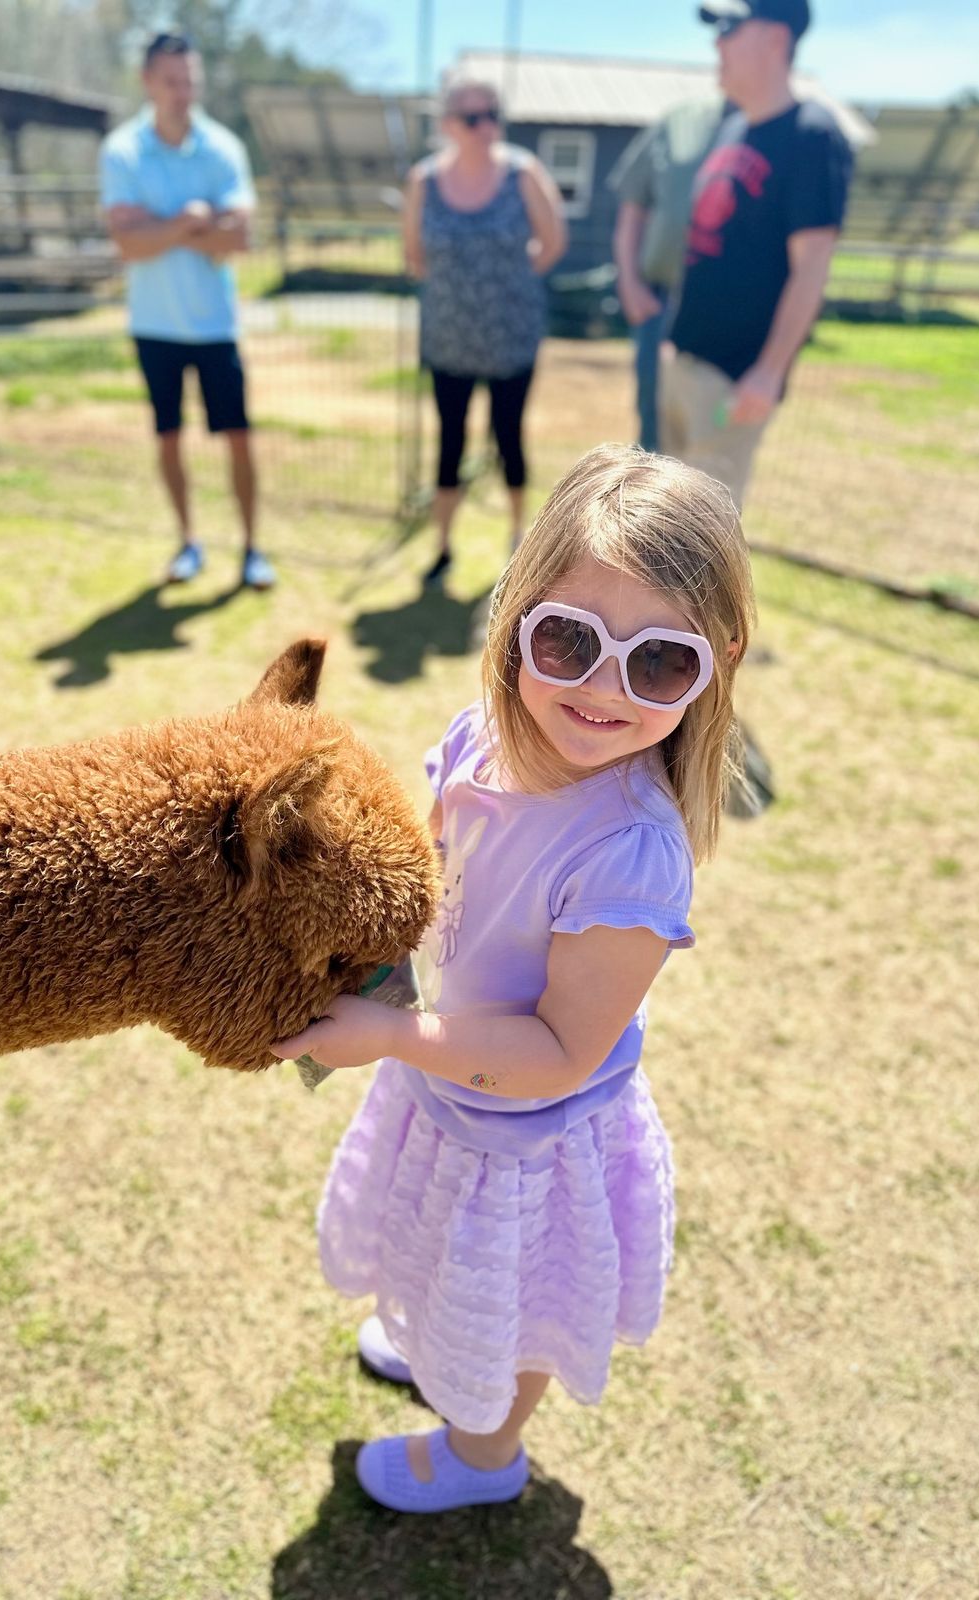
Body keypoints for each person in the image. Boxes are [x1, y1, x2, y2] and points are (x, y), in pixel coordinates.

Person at [272, 444, 755, 1512]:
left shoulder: (630, 852)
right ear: (518, 613)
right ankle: (441, 1349)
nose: (600, 688)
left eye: (658, 662)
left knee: (512, 1298)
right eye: (571, 639)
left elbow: (555, 1053)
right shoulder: (482, 732)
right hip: (444, 1081)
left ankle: (485, 1456)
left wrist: (392, 1036)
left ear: (719, 659)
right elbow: (434, 875)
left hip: (523, 1134)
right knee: (442, 1258)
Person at [100, 33, 275, 590]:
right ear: (148, 81)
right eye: (172, 81)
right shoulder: (122, 150)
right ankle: (188, 542)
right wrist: (193, 221)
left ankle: (251, 548)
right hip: (154, 327)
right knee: (169, 438)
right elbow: (126, 245)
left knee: (238, 438)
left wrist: (158, 227)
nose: (183, 93)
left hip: (215, 325)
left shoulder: (223, 147)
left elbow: (240, 237)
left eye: (190, 81)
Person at [661, 0, 853, 508]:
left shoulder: (811, 134)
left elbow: (812, 267)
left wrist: (769, 371)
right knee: (660, 525)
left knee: (698, 542)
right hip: (685, 360)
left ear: (776, 38)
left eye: (730, 27)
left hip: (734, 379)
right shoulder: (732, 128)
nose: (716, 42)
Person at [402, 76, 567, 587]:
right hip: (449, 341)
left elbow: (553, 241)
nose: (485, 127)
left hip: (511, 340)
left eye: (493, 114)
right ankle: (443, 548)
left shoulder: (523, 174)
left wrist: (508, 286)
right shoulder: (423, 181)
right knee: (449, 444)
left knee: (509, 438)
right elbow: (413, 258)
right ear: (448, 125)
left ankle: (519, 544)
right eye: (473, 118)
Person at [609, 97, 726, 451]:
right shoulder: (677, 122)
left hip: (727, 312)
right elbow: (632, 208)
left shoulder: (773, 131)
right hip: (661, 304)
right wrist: (628, 281)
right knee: (655, 424)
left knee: (714, 432)